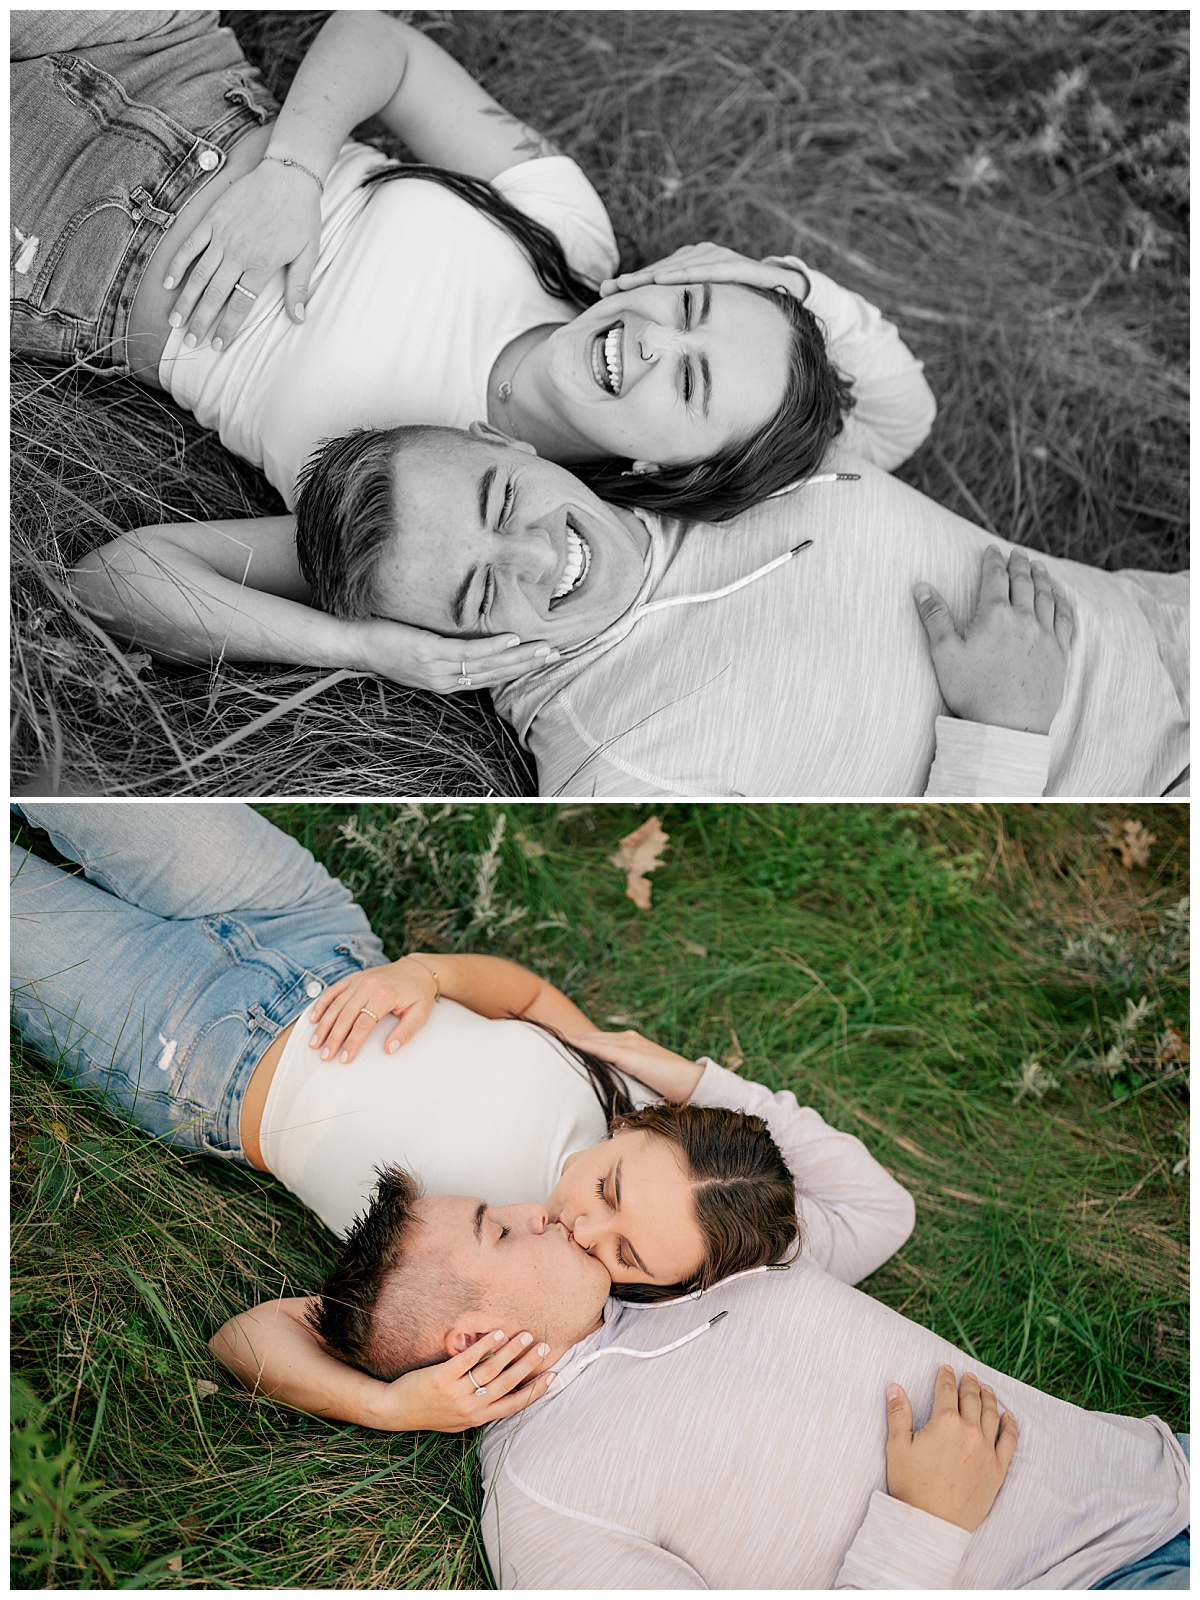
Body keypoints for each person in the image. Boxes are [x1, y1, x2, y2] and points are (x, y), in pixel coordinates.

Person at [11, 11, 935, 693]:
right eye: (689, 305)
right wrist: (785, 283)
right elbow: (383, 46)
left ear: (672, 466)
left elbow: (117, 579)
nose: (657, 338)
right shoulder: (570, 237)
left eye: (691, 381)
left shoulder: (444, 506)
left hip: (62, 250)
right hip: (168, 57)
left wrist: (361, 647)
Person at [10, 800, 906, 1431]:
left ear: (669, 1285)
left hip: (193, 1047)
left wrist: (391, 1405)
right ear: (640, 1131)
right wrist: (432, 976)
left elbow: (249, 1338)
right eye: (611, 1187)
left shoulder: (530, 1306)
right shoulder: (623, 1097)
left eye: (629, 1252)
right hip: (305, 928)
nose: (581, 1224)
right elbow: (881, 1211)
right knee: (72, 774)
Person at [73, 423, 1188, 797]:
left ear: (506, 443)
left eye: (504, 499)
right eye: (475, 594)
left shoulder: (680, 452)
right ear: (438, 636)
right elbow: (115, 582)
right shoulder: (619, 763)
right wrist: (1006, 728)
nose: (537, 554)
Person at [262, 1140, 1189, 1590]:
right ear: (469, 1339)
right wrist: (924, 1527)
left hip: (1168, 1468)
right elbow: (252, 1334)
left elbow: (872, 1204)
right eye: (496, 1230)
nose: (534, 1209)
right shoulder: (544, 1501)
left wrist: (649, 1061)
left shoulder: (671, 1269)